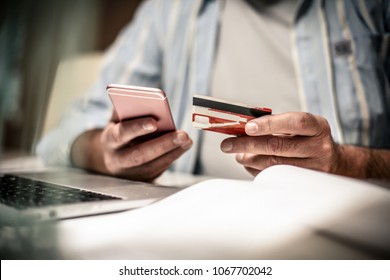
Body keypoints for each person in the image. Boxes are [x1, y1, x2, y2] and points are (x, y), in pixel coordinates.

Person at [36, 0, 390, 182]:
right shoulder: (170, 10)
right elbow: (61, 136)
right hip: (189, 220)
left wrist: (348, 162)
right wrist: (105, 153)